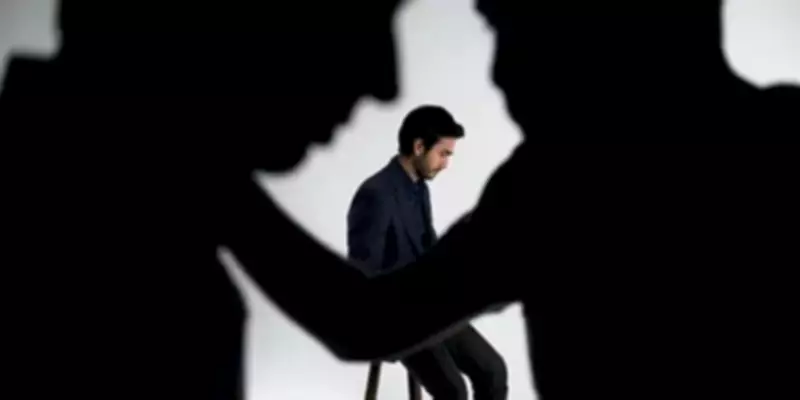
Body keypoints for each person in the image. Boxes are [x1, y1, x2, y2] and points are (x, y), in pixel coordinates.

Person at [225, 1, 800, 399]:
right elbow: (368, 307)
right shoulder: (550, 187)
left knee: (487, 374)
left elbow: (364, 320)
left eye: (511, 25)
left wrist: (219, 188)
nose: (500, 73)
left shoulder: (552, 189)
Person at [0, 1, 403, 399]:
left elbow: (357, 320)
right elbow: (358, 320)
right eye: (364, 15)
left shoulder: (174, 172)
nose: (388, 84)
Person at [347, 105, 508, 400]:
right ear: (419, 146)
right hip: (395, 319)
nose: (446, 164)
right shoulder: (375, 194)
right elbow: (361, 277)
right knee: (454, 391)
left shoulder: (420, 187)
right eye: (443, 154)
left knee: (494, 370)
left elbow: (428, 248)